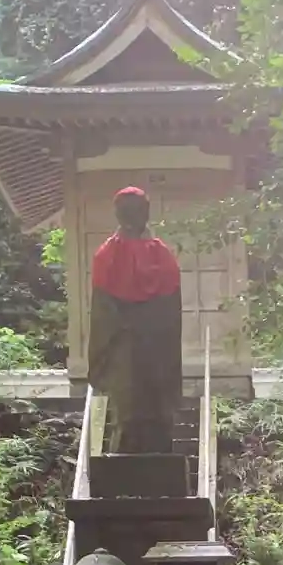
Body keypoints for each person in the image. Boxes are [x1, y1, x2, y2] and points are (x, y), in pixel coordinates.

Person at [88, 186, 184, 453]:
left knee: (128, 410)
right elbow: (172, 314)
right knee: (153, 409)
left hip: (123, 345)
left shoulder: (106, 255)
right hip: (155, 346)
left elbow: (102, 314)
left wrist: (100, 358)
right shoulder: (163, 255)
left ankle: (126, 462)